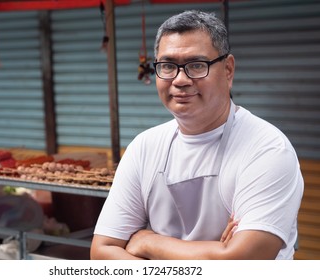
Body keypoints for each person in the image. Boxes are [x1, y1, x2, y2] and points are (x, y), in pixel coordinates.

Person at [90, 10, 304, 260]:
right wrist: (218, 253)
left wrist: (149, 242)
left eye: (196, 65)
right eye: (168, 66)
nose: (180, 80)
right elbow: (102, 252)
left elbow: (244, 262)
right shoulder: (144, 147)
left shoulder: (266, 149)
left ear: (228, 70)